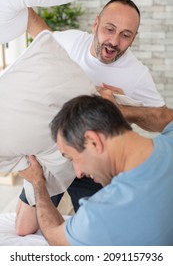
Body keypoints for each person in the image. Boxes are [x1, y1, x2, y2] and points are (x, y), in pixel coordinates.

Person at [16, 0, 173, 236]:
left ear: (134, 38)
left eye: (125, 35)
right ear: (95, 23)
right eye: (109, 29)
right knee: (23, 228)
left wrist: (121, 110)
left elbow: (165, 119)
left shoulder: (137, 75)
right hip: (54, 153)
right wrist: (13, 0)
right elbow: (39, 30)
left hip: (95, 162)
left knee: (103, 230)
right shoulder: (69, 42)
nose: (114, 41)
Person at [19, 95, 173, 245]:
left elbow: (55, 237)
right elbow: (167, 117)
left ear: (93, 141)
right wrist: (122, 111)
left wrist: (37, 182)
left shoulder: (103, 213)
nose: (78, 172)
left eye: (73, 158)